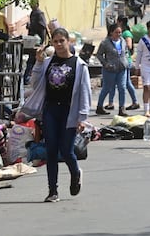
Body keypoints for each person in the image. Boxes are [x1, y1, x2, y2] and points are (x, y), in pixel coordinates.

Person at [26, 27, 91, 202]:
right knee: (51, 151)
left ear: (68, 41)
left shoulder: (79, 65)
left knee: (67, 151)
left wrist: (82, 117)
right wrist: (38, 63)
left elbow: (85, 91)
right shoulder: (48, 62)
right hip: (50, 110)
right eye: (55, 41)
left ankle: (75, 172)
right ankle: (52, 191)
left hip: (69, 111)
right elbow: (35, 82)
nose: (59, 44)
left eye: (62, 41)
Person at [95, 23, 128, 116]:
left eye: (120, 32)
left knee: (122, 88)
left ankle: (122, 108)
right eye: (117, 32)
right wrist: (105, 64)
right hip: (110, 70)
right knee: (106, 88)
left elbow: (125, 51)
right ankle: (99, 107)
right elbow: (99, 55)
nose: (119, 34)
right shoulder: (105, 43)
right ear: (111, 33)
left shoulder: (123, 41)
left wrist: (126, 60)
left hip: (122, 68)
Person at [112, 15, 140, 111]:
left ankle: (134, 102)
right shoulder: (123, 32)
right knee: (127, 83)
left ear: (119, 22)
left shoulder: (126, 33)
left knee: (125, 84)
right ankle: (135, 101)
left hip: (125, 61)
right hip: (122, 61)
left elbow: (129, 45)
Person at [24, 0, 48, 84]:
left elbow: (42, 28)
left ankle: (28, 77)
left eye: (33, 4)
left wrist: (42, 42)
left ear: (37, 4)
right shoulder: (32, 13)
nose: (32, 6)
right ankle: (27, 77)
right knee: (31, 59)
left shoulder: (39, 14)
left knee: (34, 59)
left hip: (37, 40)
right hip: (32, 39)